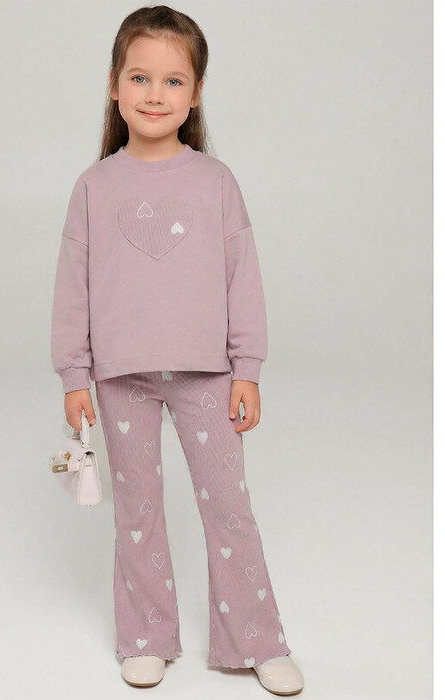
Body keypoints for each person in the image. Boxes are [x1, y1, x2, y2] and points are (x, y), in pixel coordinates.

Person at [50, 5, 304, 695]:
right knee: (137, 510)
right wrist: (74, 374)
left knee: (229, 508)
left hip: (207, 375)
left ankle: (256, 639)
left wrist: (247, 368)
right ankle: (145, 637)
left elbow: (242, 278)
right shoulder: (93, 187)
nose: (155, 94)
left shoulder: (216, 181)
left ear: (195, 94)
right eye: (140, 77)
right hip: (120, 377)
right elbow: (72, 286)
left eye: (173, 81)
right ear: (114, 85)